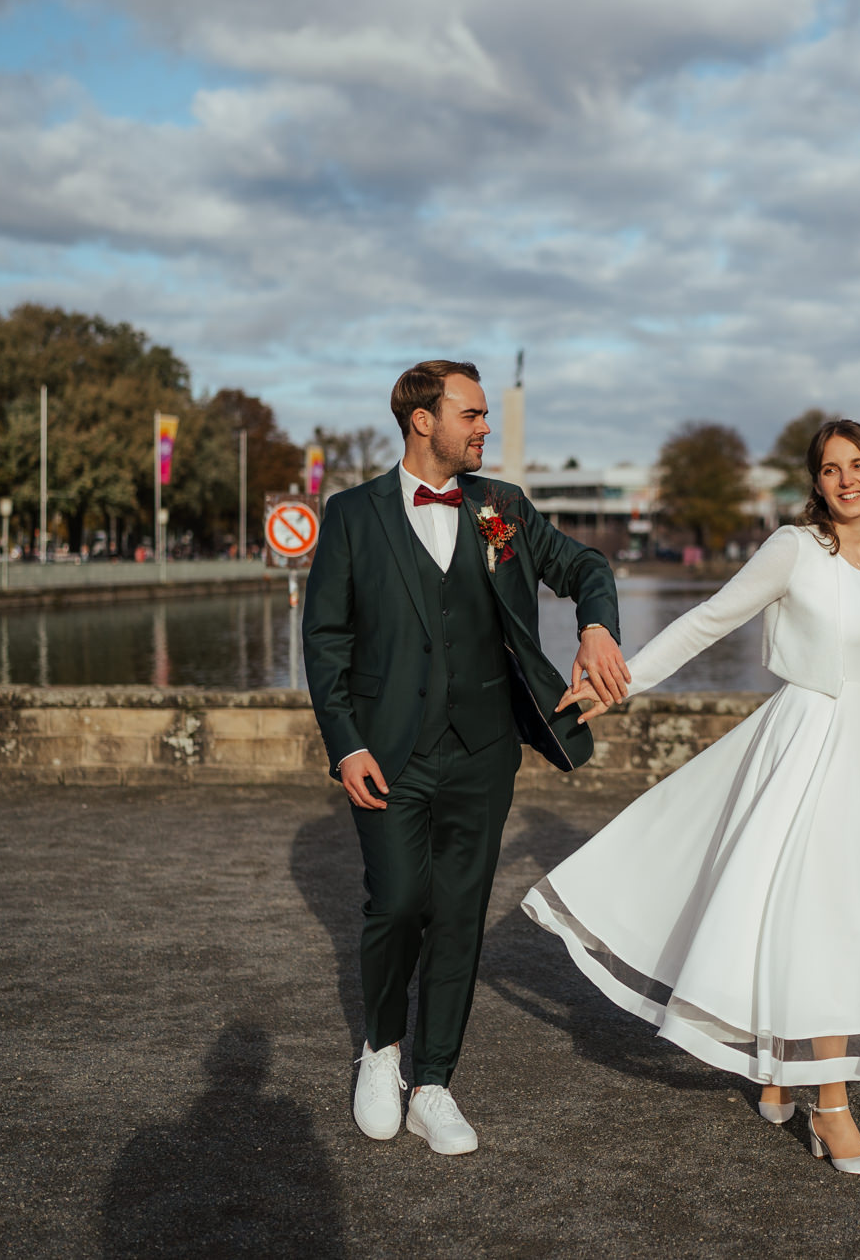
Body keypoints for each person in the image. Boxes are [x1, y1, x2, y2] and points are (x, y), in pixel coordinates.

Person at [530, 419, 860, 1176]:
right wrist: (620, 683)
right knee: (824, 921)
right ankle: (831, 1106)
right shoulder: (793, 548)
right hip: (808, 746)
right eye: (831, 468)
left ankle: (782, 1072)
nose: (847, 479)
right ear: (815, 481)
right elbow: (706, 622)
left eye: (859, 464)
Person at [301, 359, 627, 1154]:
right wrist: (345, 744)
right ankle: (381, 1050)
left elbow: (585, 566)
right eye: (471, 414)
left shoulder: (502, 508)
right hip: (388, 751)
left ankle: (434, 1081)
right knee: (396, 901)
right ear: (423, 420)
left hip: (484, 750)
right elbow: (326, 639)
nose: (484, 427)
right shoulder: (351, 514)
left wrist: (595, 626)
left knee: (458, 912)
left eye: (485, 414)